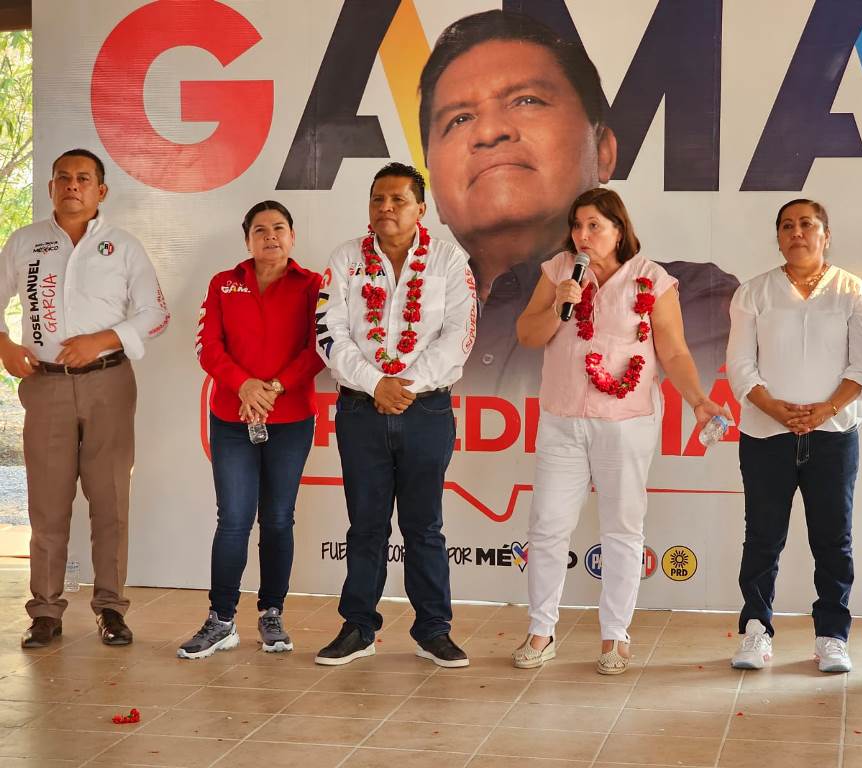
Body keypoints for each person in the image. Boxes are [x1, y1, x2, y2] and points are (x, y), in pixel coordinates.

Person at [418, 9, 737, 398]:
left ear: (603, 151)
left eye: (526, 100)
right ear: (434, 191)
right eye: (459, 119)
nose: (488, 131)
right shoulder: (411, 304)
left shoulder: (690, 297)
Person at [511, 188, 727, 674]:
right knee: (547, 526)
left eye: (594, 226)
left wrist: (698, 399)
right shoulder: (559, 271)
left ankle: (615, 636)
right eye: (577, 225)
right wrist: (558, 305)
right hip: (563, 419)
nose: (582, 235)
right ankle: (541, 631)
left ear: (618, 229)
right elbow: (527, 334)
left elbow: (673, 351)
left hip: (627, 423)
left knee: (622, 529)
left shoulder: (652, 279)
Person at [0, 149, 169, 648]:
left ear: (101, 191)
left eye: (83, 178)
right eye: (63, 178)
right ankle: (45, 612)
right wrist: (4, 344)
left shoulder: (123, 246)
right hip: (45, 385)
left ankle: (111, 609)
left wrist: (103, 339)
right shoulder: (24, 242)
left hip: (108, 383)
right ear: (50, 187)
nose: (72, 185)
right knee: (47, 504)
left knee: (110, 500)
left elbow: (155, 313)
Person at [313, 162, 476, 668]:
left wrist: (406, 385)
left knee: (424, 526)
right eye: (377, 199)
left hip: (426, 408)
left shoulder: (448, 259)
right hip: (360, 409)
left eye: (397, 200)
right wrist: (375, 384)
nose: (385, 208)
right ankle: (358, 627)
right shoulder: (345, 259)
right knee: (365, 525)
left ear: (420, 209)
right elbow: (329, 332)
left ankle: (433, 631)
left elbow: (460, 333)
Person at [726, 199, 862, 674]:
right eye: (787, 226)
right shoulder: (753, 293)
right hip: (765, 433)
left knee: (833, 539)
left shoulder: (854, 292)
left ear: (825, 235)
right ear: (777, 238)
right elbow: (740, 366)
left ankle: (832, 636)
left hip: (833, 434)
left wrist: (824, 410)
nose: (797, 232)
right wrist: (775, 408)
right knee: (762, 538)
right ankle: (756, 631)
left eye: (807, 224)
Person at [178, 201, 324, 659]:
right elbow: (208, 347)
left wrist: (274, 388)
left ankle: (271, 614)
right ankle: (221, 620)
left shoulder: (313, 285)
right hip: (232, 418)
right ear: (247, 240)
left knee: (278, 519)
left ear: (293, 236)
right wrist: (244, 385)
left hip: (291, 419)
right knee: (234, 520)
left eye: (279, 228)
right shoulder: (224, 283)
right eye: (260, 230)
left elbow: (318, 349)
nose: (270, 236)